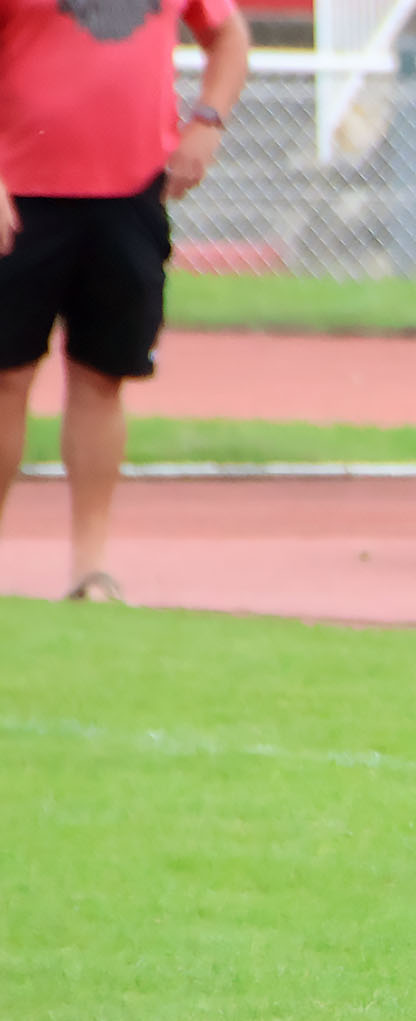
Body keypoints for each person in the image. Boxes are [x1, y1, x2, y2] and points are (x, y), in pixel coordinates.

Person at [0, 0, 251, 602]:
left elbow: (228, 35)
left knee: (101, 376)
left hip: (128, 194)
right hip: (20, 193)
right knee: (6, 379)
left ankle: (91, 567)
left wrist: (207, 122)